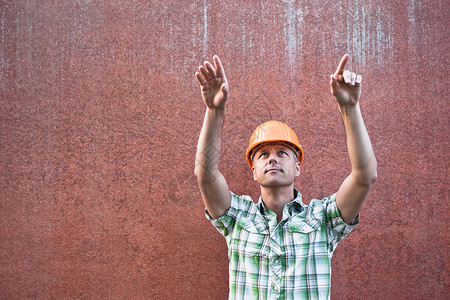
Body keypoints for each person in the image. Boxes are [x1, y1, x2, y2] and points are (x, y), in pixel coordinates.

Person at [194, 54, 377, 300]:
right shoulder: (237, 218)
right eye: (262, 154)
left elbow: (364, 176)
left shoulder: (323, 219)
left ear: (297, 167)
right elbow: (206, 175)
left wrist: (349, 107)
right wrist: (214, 110)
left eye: (282, 152)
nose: (272, 159)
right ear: (254, 171)